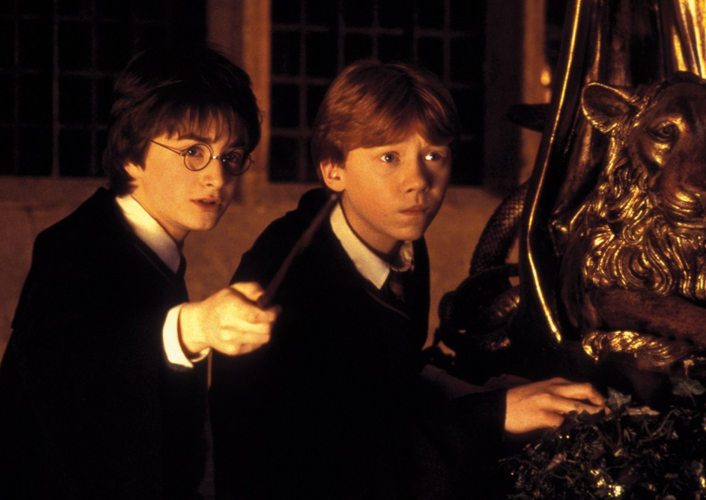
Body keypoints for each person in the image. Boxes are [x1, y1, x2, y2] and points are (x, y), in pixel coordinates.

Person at [209, 60, 606, 499]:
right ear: (333, 169)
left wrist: (473, 390)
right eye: (389, 157)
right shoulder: (285, 282)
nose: (418, 181)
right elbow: (325, 461)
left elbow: (383, 377)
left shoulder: (398, 239)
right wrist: (495, 413)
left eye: (434, 156)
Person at [0, 46, 277, 500]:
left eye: (231, 156)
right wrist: (193, 327)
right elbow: (80, 371)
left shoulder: (153, 252)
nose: (217, 177)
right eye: (193, 151)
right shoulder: (73, 246)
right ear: (132, 153)